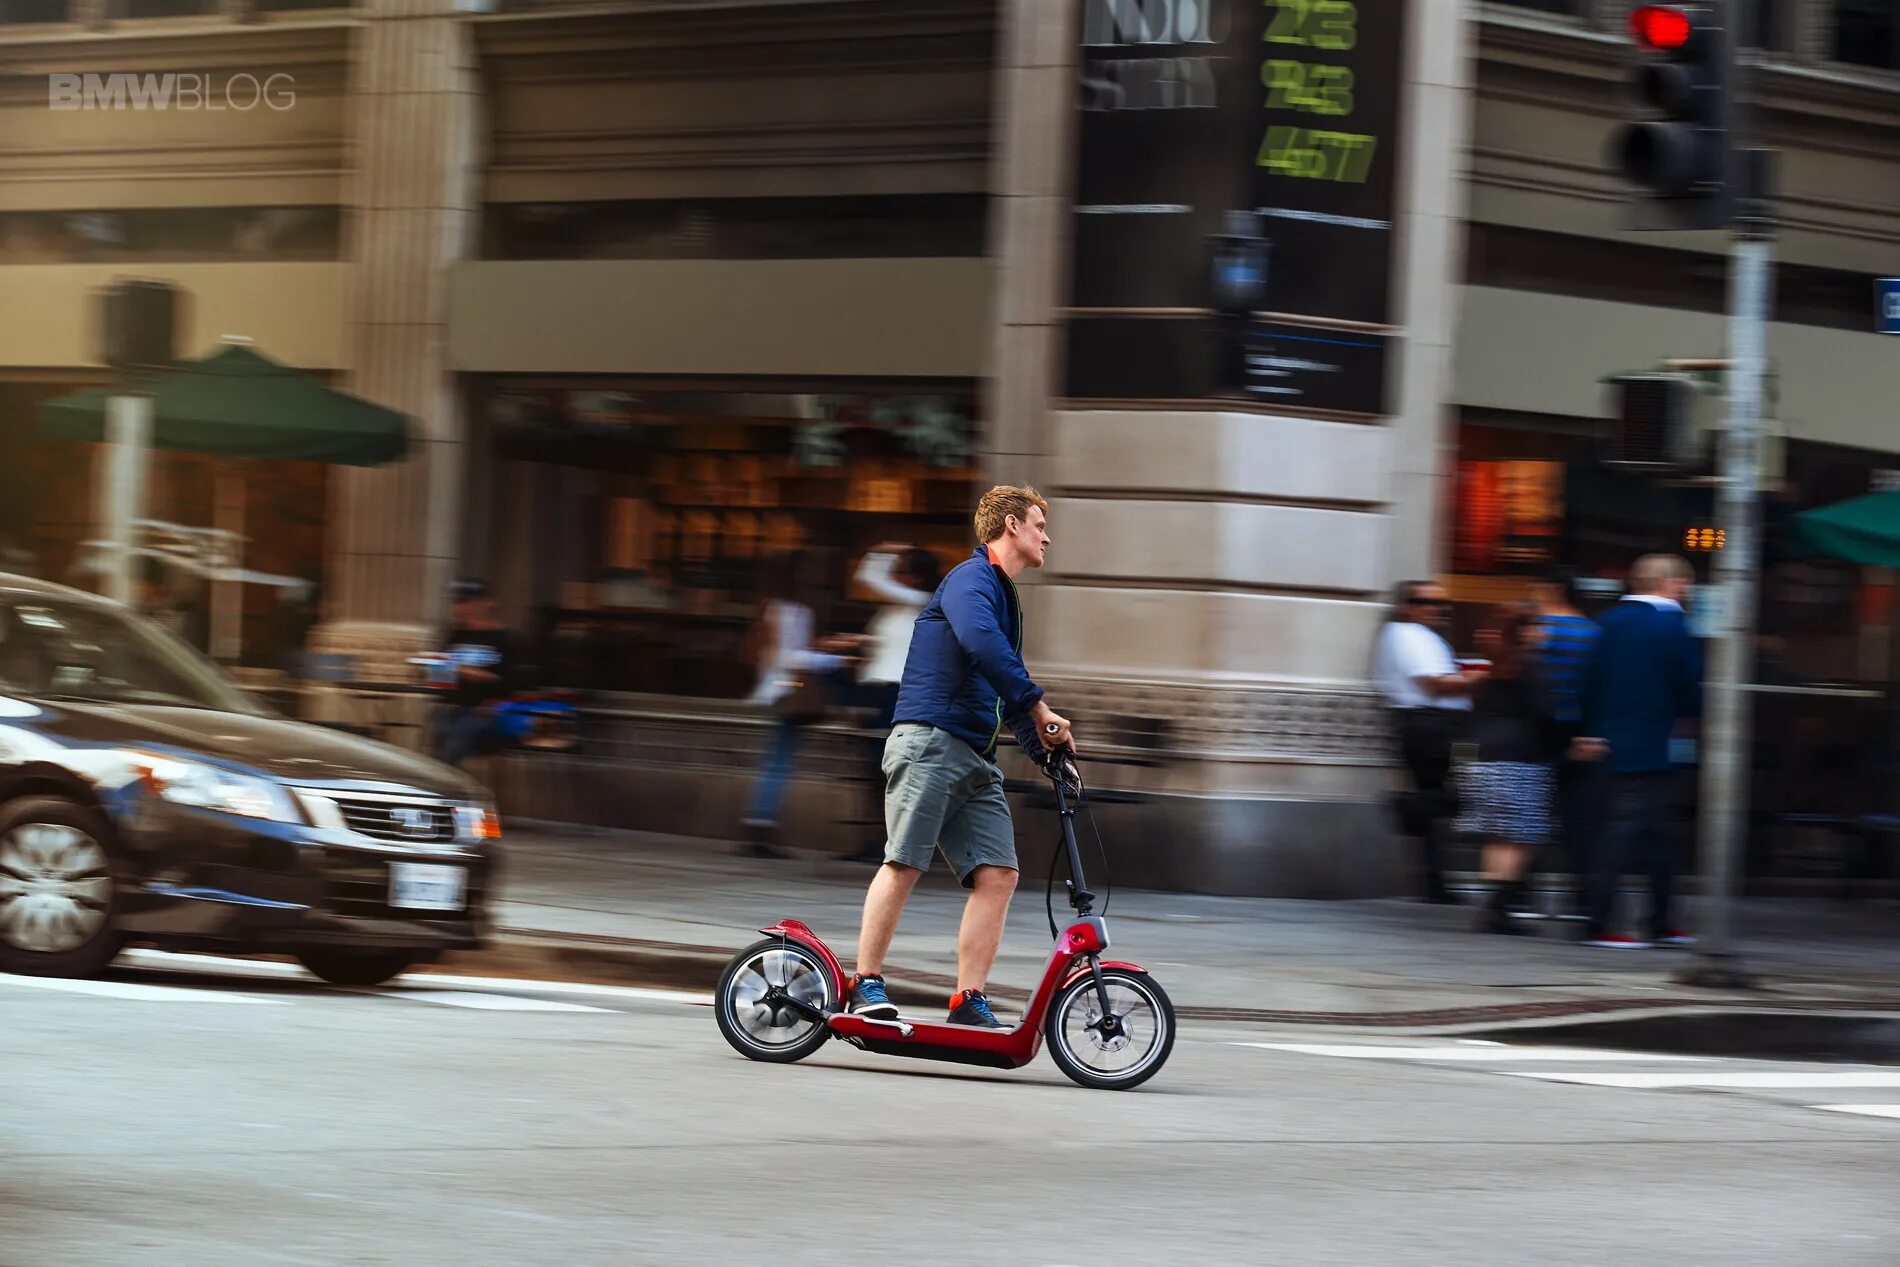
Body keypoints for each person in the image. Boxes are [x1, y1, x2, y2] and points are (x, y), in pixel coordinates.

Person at [845, 486, 1072, 1029]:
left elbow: (996, 681)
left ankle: (968, 999)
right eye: (1039, 524)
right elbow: (980, 644)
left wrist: (1045, 750)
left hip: (972, 753)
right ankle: (866, 983)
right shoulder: (971, 580)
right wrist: (1039, 706)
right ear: (1012, 526)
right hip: (930, 740)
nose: (1047, 535)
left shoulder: (1000, 593)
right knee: (904, 861)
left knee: (999, 875)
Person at [1575, 554, 1703, 949]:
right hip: (1654, 743)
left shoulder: (1607, 621)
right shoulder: (1672, 625)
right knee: (1634, 835)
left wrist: (1592, 731)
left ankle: (1659, 920)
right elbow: (1689, 686)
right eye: (1686, 584)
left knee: (1648, 835)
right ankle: (1606, 923)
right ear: (1675, 584)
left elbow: (1590, 682)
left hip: (1611, 742)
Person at [1372, 580, 1485, 904]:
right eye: (1426, 602)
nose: (1436, 608)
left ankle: (1434, 881)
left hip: (1437, 725)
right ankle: (1407, 806)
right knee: (1465, 788)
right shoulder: (1408, 635)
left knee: (1443, 796)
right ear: (1406, 605)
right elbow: (1436, 685)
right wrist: (1482, 678)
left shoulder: (1418, 636)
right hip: (1434, 726)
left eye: (1440, 603)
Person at [743, 550, 856, 859]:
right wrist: (834, 658)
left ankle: (759, 825)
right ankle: (761, 826)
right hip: (789, 693)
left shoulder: (770, 607)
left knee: (776, 759)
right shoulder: (796, 611)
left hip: (774, 690)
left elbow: (772, 655)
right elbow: (790, 657)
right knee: (779, 761)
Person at [1460, 603, 1565, 935]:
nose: (1546, 632)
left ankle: (1493, 905)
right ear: (1526, 630)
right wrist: (1562, 744)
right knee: (1516, 839)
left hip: (1486, 757)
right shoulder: (1531, 666)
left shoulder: (1495, 667)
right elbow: (1544, 713)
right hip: (1520, 759)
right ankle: (1498, 910)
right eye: (1540, 625)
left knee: (1498, 837)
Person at [842, 544, 944, 865]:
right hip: (875, 693)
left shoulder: (922, 602)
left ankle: (900, 842)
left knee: (893, 771)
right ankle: (879, 839)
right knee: (874, 771)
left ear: (916, 576)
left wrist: (883, 551)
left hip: (898, 695)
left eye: (902, 570)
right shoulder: (893, 609)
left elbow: (868, 577)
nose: (895, 576)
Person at [1529, 566, 1602, 920]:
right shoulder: (1593, 631)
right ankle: (1582, 895)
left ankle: (1525, 892)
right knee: (1579, 817)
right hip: (1581, 730)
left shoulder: (1542, 631)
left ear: (1553, 589)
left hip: (1540, 731)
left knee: (1533, 813)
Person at [432, 579, 516, 769]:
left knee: (454, 749)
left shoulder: (503, 638)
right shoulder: (455, 635)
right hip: (450, 706)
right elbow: (439, 675)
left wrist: (475, 675)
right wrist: (437, 668)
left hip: (482, 710)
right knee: (438, 751)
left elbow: (510, 682)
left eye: (467, 602)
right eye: (458, 602)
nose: (460, 608)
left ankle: (451, 793)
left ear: (485, 604)